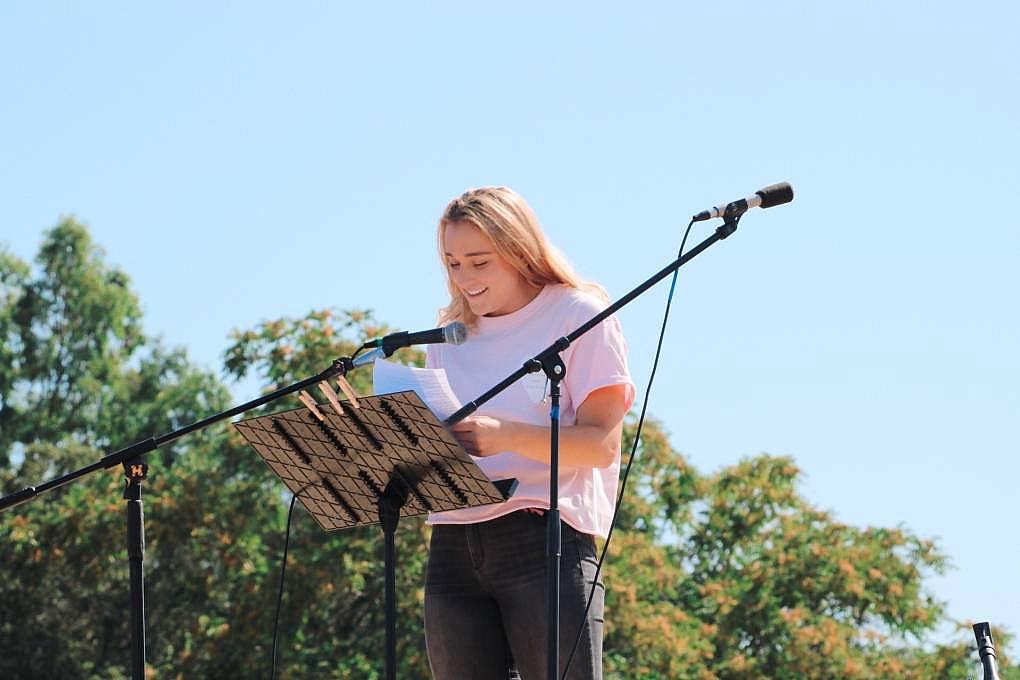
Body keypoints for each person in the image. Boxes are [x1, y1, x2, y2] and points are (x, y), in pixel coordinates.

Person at [424, 186, 635, 680]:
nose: (465, 279)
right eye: (453, 264)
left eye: (480, 262)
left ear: (519, 250)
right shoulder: (448, 337)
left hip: (544, 539)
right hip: (453, 542)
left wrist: (506, 435)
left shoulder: (578, 317)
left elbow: (600, 445)